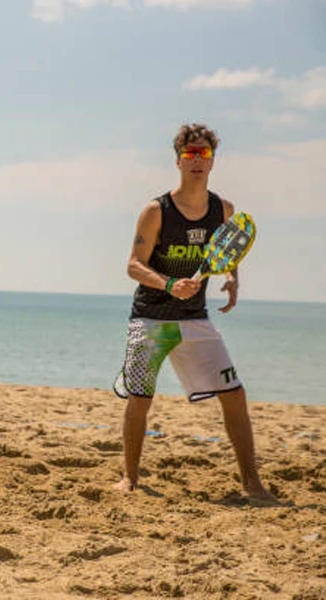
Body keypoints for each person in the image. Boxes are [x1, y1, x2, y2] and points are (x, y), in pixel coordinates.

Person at [113, 123, 275, 502]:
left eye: (204, 153)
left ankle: (251, 483)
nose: (197, 160)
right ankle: (130, 478)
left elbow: (229, 252)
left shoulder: (224, 210)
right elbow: (133, 265)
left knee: (234, 394)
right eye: (190, 154)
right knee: (140, 397)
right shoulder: (157, 210)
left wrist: (233, 279)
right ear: (178, 161)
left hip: (195, 319)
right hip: (151, 317)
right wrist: (169, 284)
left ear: (213, 161)